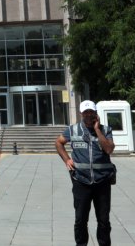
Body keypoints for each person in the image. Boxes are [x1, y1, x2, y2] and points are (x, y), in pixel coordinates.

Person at [55, 100, 116, 246]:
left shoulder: (106, 130)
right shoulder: (73, 130)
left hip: (102, 182)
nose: (89, 115)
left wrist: (97, 130)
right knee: (81, 219)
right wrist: (67, 160)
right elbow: (58, 143)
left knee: (103, 220)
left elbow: (109, 149)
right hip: (81, 181)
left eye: (91, 112)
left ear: (96, 113)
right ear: (81, 113)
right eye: (86, 112)